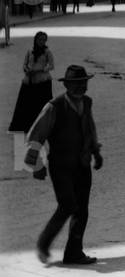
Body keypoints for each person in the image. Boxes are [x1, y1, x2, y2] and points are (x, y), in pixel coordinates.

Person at [24, 65, 103, 265]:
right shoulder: (54, 106)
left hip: (82, 164)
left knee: (82, 209)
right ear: (67, 85)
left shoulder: (87, 102)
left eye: (84, 83)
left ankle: (73, 253)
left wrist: (96, 152)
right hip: (61, 166)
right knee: (67, 205)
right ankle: (43, 244)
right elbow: (35, 136)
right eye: (76, 84)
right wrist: (36, 165)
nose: (81, 87)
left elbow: (90, 129)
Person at [9, 32, 55, 133]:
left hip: (42, 81)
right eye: (39, 39)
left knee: (41, 104)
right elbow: (25, 64)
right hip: (29, 80)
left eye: (43, 40)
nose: (41, 42)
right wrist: (26, 70)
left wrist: (40, 70)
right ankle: (25, 126)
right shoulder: (30, 51)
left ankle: (42, 126)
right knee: (26, 104)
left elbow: (51, 65)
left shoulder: (47, 52)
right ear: (35, 40)